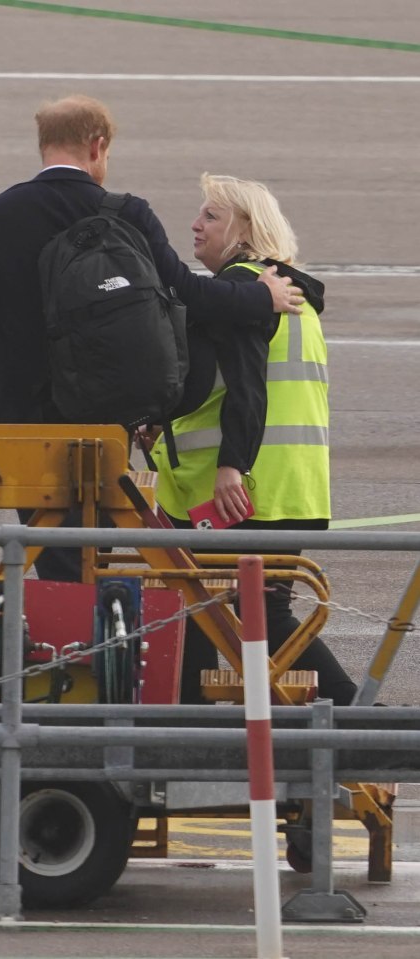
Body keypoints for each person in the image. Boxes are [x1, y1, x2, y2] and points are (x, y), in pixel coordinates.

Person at [0, 95, 303, 582]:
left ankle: (72, 642)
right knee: (94, 550)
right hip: (103, 416)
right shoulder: (127, 213)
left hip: (21, 423)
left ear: (43, 145)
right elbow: (186, 294)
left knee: (53, 551)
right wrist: (259, 297)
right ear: (98, 147)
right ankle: (95, 644)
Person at [149, 172, 358, 706]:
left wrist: (229, 466)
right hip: (293, 485)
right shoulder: (293, 296)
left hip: (242, 490)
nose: (195, 224)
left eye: (211, 216)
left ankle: (355, 715)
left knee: (202, 602)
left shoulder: (244, 293)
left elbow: (246, 386)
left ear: (245, 229)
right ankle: (333, 718)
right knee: (225, 605)